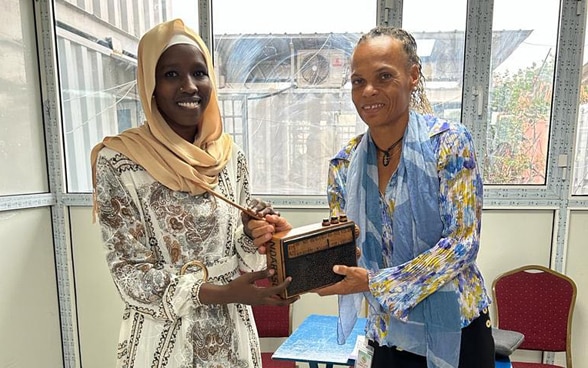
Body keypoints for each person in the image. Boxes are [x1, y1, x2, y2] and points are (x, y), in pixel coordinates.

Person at [90, 18, 296, 368]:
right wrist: (218, 293)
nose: (189, 86)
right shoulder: (120, 162)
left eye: (199, 73)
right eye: (171, 74)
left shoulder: (229, 156)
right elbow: (128, 273)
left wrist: (253, 234)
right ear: (150, 85)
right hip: (165, 340)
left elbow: (245, 255)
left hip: (232, 336)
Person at [316, 26, 495, 368]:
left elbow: (462, 244)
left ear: (413, 76)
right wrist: (291, 242)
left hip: (457, 333)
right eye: (358, 81)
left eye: (384, 76)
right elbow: (345, 247)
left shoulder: (449, 144)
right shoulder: (344, 165)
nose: (368, 91)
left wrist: (375, 282)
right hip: (387, 335)